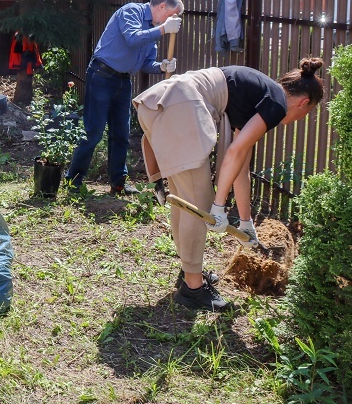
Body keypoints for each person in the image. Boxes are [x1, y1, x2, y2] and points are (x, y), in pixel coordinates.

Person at [133, 58, 324, 311]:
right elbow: (233, 153)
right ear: (304, 102)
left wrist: (247, 223)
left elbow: (240, 164)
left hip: (163, 102)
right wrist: (218, 206)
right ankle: (192, 289)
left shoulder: (259, 95)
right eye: (306, 113)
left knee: (186, 201)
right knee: (198, 202)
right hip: (179, 106)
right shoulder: (276, 104)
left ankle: (191, 274)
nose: (300, 118)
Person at [65, 0, 183, 197]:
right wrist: (164, 29)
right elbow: (132, 38)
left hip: (123, 82)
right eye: (172, 15)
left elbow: (146, 63)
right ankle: (73, 181)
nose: (173, 20)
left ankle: (118, 184)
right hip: (102, 76)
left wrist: (162, 67)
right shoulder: (131, 12)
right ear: (161, 6)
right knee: (93, 132)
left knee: (121, 134)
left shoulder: (153, 30)